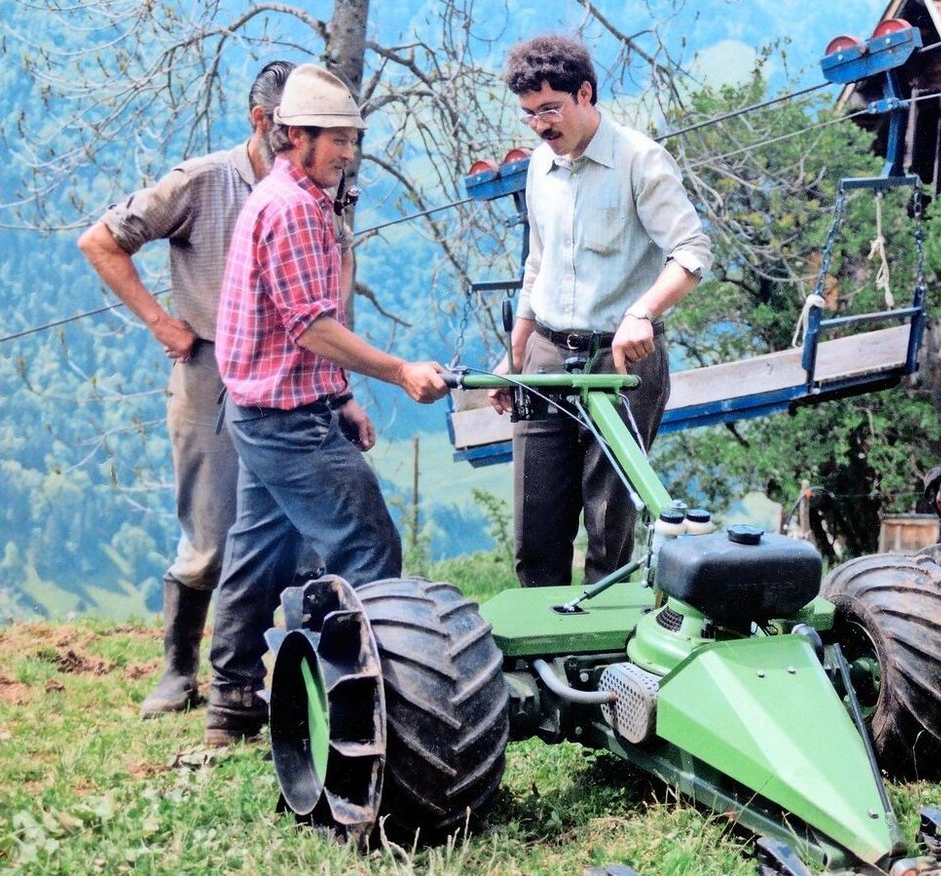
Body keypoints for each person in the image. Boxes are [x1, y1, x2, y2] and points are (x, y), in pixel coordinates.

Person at [206, 63, 450, 746]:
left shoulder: (295, 198)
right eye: (335, 139)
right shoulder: (290, 210)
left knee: (258, 552)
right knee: (368, 544)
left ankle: (232, 704)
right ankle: (368, 708)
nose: (347, 152)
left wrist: (339, 396)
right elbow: (310, 326)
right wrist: (399, 370)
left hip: (265, 407)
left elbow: (297, 332)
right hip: (282, 421)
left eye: (352, 139)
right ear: (294, 135)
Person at [77, 60, 297, 719]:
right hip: (212, 372)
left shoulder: (314, 184)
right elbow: (101, 240)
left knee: (297, 531)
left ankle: (273, 674)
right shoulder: (202, 180)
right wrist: (159, 322)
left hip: (290, 373)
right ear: (260, 122)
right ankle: (178, 672)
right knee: (213, 527)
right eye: (293, 127)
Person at [489, 35, 713, 588]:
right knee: (535, 526)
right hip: (545, 355)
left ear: (584, 93)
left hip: (622, 359)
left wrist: (642, 312)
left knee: (610, 525)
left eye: (550, 109)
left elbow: (692, 252)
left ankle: (600, 664)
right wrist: (513, 356)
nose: (540, 125)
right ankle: (544, 661)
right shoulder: (540, 165)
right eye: (528, 114)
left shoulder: (639, 160)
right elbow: (535, 264)